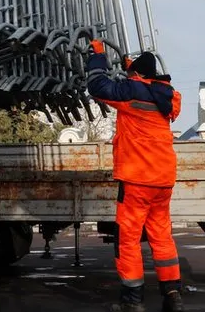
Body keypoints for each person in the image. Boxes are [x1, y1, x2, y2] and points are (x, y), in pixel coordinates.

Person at [85, 40, 184, 312]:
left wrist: (98, 56)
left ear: (137, 76)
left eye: (131, 74)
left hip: (136, 180)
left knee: (127, 240)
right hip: (162, 181)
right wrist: (132, 70)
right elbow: (142, 86)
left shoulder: (131, 91)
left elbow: (98, 86)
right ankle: (173, 295)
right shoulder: (167, 97)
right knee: (161, 238)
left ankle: (132, 302)